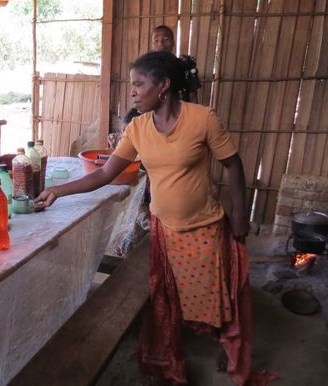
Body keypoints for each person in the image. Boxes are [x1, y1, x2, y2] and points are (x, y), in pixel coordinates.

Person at [36, 51, 256, 385]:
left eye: (139, 84)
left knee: (216, 295)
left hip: (204, 227)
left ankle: (225, 348)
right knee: (170, 299)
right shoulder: (137, 128)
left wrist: (240, 216)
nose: (133, 92)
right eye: (132, 85)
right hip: (164, 230)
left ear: (164, 86)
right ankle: (172, 355)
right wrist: (58, 191)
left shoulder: (202, 119)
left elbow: (233, 164)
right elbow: (104, 174)